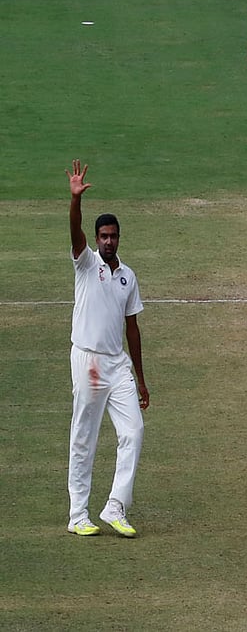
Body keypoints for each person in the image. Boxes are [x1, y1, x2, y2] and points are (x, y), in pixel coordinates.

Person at [65, 159, 149, 538]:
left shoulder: (128, 276)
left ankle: (115, 505)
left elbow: (133, 329)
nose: (109, 241)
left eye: (113, 236)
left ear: (119, 237)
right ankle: (77, 514)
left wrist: (142, 380)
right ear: (97, 239)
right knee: (85, 435)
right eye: (104, 236)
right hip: (89, 361)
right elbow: (74, 234)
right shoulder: (86, 264)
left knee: (134, 430)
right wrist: (75, 201)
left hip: (117, 366)